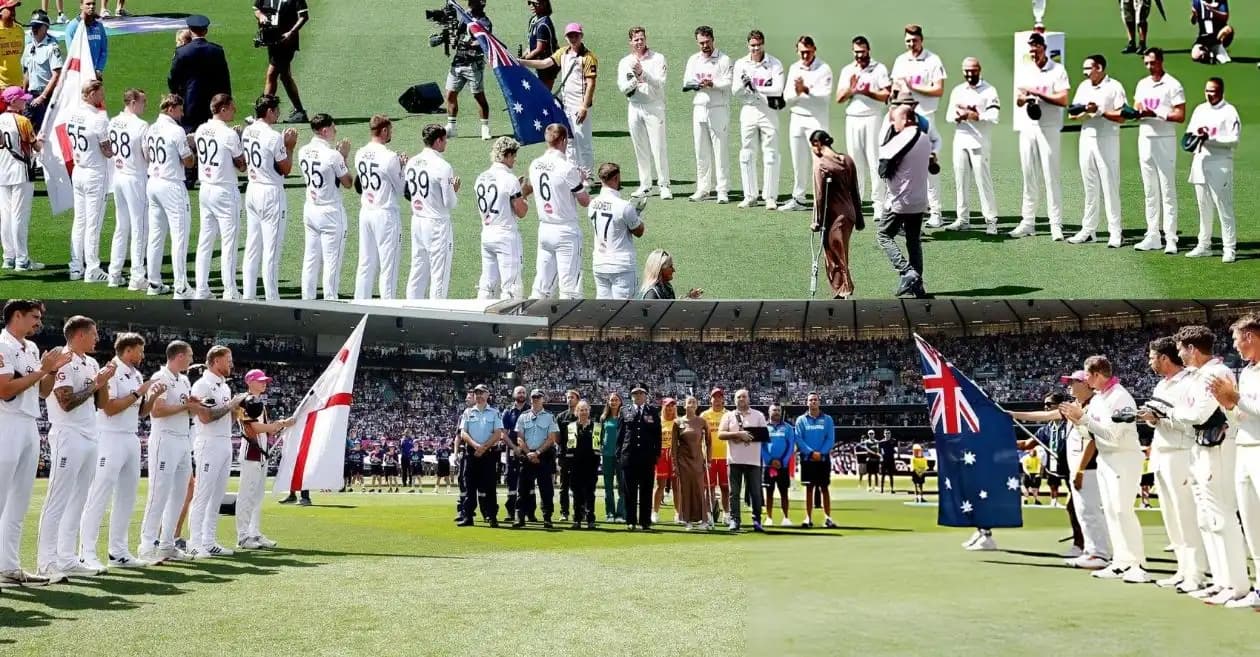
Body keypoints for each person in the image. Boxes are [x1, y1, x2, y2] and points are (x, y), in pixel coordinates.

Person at [1169, 325, 1249, 604]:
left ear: (1192, 349)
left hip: (1218, 446)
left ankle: (1236, 584)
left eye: (1181, 349)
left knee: (1222, 515)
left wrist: (1172, 412)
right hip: (1202, 446)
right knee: (1207, 518)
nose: (1179, 354)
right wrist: (1179, 413)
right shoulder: (1200, 375)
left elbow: (1198, 413)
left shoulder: (1216, 373)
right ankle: (1221, 580)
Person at [36, 315, 114, 580]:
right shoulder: (63, 359)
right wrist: (96, 383)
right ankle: (46, 562)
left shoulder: (90, 361)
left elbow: (101, 403)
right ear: (80, 335)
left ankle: (67, 558)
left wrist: (104, 381)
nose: (97, 338)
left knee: (78, 500)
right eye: (94, 334)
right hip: (68, 434)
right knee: (58, 499)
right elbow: (66, 401)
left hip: (90, 433)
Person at [1059, 355, 1149, 583]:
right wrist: (1078, 421)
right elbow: (1091, 434)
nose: (1085, 379)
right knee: (1110, 511)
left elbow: (1113, 435)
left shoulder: (1120, 397)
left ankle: (1138, 564)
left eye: (1087, 375)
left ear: (1097, 374)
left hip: (1123, 457)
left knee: (1122, 511)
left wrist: (1083, 420)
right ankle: (1120, 562)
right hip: (1106, 459)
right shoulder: (1100, 398)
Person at [0, 300, 69, 587]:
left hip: (29, 422)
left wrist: (51, 371)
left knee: (18, 502)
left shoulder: (29, 348)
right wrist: (42, 371)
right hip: (6, 421)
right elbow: (4, 390)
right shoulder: (2, 344)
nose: (39, 323)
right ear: (16, 315)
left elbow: (43, 392)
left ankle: (9, 567)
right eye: (34, 317)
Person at [77, 332, 158, 570]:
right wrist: (138, 392)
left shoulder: (136, 373)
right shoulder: (111, 369)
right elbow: (109, 408)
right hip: (109, 437)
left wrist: (152, 396)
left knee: (127, 497)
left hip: (130, 436)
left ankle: (118, 551)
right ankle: (87, 552)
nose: (142, 355)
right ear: (128, 349)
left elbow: (141, 412)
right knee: (99, 495)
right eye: (140, 350)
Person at [1136, 336, 1206, 588]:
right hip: (1162, 451)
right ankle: (1182, 569)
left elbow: (1192, 419)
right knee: (1170, 516)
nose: (1150, 362)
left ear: (1165, 358)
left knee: (1185, 514)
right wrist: (1151, 418)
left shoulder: (1189, 381)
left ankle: (1196, 573)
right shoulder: (1160, 386)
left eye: (1152, 357)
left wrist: (1162, 416)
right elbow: (1158, 419)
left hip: (1181, 451)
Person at [1212, 313, 1260, 608]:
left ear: (1250, 337)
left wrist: (1236, 398)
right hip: (1245, 447)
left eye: (1236, 339)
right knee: (1252, 524)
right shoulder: (1247, 372)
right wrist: (1228, 404)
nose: (1235, 346)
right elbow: (1242, 416)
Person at [136, 341, 196, 563]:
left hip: (182, 438)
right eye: (189, 356)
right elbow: (158, 410)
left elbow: (184, 410)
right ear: (179, 356)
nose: (191, 359)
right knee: (159, 492)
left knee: (179, 494)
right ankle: (146, 545)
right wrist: (187, 407)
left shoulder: (184, 380)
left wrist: (193, 408)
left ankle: (167, 544)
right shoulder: (160, 377)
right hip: (165, 438)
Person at [187, 346, 247, 559]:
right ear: (215, 361)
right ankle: (194, 543)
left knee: (217, 496)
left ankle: (209, 541)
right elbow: (205, 417)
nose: (231, 363)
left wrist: (235, 411)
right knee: (202, 494)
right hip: (208, 442)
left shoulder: (224, 387)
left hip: (224, 441)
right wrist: (231, 405)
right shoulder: (202, 385)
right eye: (227, 360)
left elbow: (225, 418)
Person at [1010, 32, 1069, 240]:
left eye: (1037, 50)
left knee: (1051, 177)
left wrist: (1038, 94)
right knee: (1029, 175)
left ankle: (1056, 224)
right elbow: (1018, 100)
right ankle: (1028, 222)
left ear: (1044, 48)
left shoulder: (1057, 70)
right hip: (1028, 127)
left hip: (1049, 128)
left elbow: (1063, 100)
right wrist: (1025, 98)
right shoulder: (1025, 70)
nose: (1034, 54)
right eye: (1031, 51)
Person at [1127, 48, 1187, 253]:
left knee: (1167, 189)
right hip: (1145, 139)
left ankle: (1171, 237)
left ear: (1160, 61)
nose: (1149, 67)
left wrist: (1157, 113)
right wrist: (1136, 113)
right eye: (1146, 63)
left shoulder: (1172, 84)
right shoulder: (1142, 84)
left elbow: (1180, 115)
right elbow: (1137, 108)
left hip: (1164, 140)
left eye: (1152, 63)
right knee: (1150, 190)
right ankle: (1153, 235)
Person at [521, 24, 597, 182]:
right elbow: (544, 63)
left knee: (583, 142)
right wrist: (521, 62)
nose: (573, 38)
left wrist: (584, 106)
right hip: (566, 105)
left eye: (576, 35)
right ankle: (574, 175)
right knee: (569, 140)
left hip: (579, 104)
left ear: (581, 35)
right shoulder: (563, 52)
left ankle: (588, 176)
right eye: (570, 35)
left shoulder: (589, 57)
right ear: (566, 37)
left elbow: (591, 83)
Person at [241, 94, 298, 301]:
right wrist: (290, 147)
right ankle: (272, 299)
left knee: (252, 247)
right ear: (270, 112)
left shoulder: (248, 130)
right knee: (271, 251)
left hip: (253, 189)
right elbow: (286, 168)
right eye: (277, 111)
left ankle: (248, 296)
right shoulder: (273, 136)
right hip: (270, 192)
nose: (279, 114)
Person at [1066, 55, 1127, 247]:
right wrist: (1087, 111)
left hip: (1107, 140)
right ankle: (1088, 229)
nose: (1084, 72)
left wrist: (1100, 111)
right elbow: (1072, 114)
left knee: (1110, 187)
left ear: (1099, 67)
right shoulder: (1084, 87)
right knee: (1089, 186)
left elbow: (1122, 116)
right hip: (1086, 139)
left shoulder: (1114, 87)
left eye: (1088, 68)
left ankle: (1115, 232)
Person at [192, 93, 246, 300]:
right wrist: (239, 140)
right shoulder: (229, 134)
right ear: (223, 109)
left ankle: (201, 288)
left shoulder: (200, 129)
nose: (235, 111)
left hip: (206, 189)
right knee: (228, 242)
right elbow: (242, 165)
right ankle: (230, 290)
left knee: (205, 241)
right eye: (232, 107)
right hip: (224, 190)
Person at [890, 24, 946, 225]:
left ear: (921, 40)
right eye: (908, 41)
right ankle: (909, 211)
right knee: (906, 166)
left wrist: (915, 87)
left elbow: (938, 90)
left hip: (925, 118)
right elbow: (895, 88)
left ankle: (936, 213)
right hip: (905, 120)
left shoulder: (932, 60)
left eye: (914, 40)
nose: (911, 44)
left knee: (929, 164)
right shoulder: (900, 61)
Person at [529, 123, 591, 299]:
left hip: (545, 229)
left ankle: (531, 322)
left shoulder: (534, 165)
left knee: (542, 285)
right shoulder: (567, 168)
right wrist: (583, 181)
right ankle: (568, 325)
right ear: (564, 140)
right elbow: (584, 200)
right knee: (570, 287)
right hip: (566, 231)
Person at [143, 94, 196, 298]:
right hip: (172, 185)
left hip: (153, 182)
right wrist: (192, 147)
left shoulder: (151, 128)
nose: (182, 114)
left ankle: (154, 283)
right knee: (179, 236)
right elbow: (188, 162)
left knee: (156, 236)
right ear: (172, 108)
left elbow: (146, 155)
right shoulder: (176, 131)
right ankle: (181, 286)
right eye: (180, 109)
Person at [877, 104, 932, 299]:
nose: (893, 123)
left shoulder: (899, 140)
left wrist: (890, 133)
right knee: (913, 241)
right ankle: (918, 286)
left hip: (899, 200)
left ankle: (907, 272)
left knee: (883, 235)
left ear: (906, 119)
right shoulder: (925, 138)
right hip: (919, 200)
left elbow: (882, 167)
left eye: (895, 119)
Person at [297, 113, 353, 300]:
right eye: (334, 128)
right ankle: (331, 301)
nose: (336, 131)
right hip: (330, 212)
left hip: (311, 208)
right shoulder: (333, 155)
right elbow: (347, 183)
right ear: (325, 130)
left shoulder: (303, 150)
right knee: (332, 261)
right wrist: (344, 157)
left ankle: (307, 300)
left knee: (311, 258)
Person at [235, 369, 292, 550]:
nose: (264, 383)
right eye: (260, 381)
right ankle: (243, 536)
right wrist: (277, 425)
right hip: (251, 452)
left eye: (265, 380)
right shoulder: (243, 401)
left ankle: (255, 532)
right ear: (249, 381)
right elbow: (252, 428)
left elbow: (266, 429)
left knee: (257, 496)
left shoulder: (260, 403)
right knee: (247, 495)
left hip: (261, 452)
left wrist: (280, 424)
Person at [835, 35, 891, 222]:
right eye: (856, 52)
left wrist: (867, 91)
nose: (859, 55)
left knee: (875, 162)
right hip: (853, 119)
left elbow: (886, 95)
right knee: (855, 164)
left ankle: (879, 205)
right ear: (853, 51)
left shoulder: (879, 69)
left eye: (862, 52)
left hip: (873, 118)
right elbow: (839, 98)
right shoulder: (847, 70)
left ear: (868, 50)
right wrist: (852, 90)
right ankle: (857, 205)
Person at [1184, 76, 1239, 263]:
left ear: (1221, 92)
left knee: (1224, 207)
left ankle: (1229, 248)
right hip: (1200, 162)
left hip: (1220, 163)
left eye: (1213, 91)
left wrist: (1210, 140)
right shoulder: (1200, 110)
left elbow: (1233, 140)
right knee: (1203, 207)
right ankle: (1204, 245)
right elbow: (1190, 134)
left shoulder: (1229, 112)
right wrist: (1194, 139)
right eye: (1207, 91)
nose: (1209, 95)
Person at [353, 114, 407, 299]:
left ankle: (361, 303)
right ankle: (387, 308)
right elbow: (401, 188)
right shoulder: (390, 157)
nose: (391, 133)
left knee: (366, 262)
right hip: (385, 214)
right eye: (390, 129)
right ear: (384, 131)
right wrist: (403, 167)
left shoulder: (360, 153)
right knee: (388, 266)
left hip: (366, 212)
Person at [66, 79, 114, 284]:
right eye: (100, 92)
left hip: (78, 170)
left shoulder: (73, 115)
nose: (103, 95)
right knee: (93, 223)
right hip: (95, 172)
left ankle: (76, 266)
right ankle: (92, 268)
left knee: (80, 221)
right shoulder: (99, 118)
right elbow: (107, 149)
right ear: (92, 94)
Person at [946, 57, 1000, 233]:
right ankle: (962, 219)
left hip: (980, 141)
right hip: (961, 138)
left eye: (973, 70)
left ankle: (991, 221)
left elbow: (994, 116)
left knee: (982, 181)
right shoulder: (958, 90)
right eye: (967, 71)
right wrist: (959, 116)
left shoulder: (989, 90)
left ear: (979, 69)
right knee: (960, 180)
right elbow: (948, 116)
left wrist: (976, 116)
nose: (970, 74)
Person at [405, 124, 458, 300]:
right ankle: (437, 315)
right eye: (445, 140)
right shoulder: (443, 166)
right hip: (437, 224)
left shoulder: (412, 162)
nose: (446, 143)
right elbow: (449, 202)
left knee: (417, 269)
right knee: (439, 274)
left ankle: (410, 311)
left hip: (417, 221)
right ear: (437, 141)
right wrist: (454, 189)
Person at [808, 130, 861, 299]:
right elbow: (855, 191)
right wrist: (859, 217)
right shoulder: (847, 160)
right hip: (849, 214)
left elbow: (819, 196)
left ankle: (844, 288)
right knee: (841, 251)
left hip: (833, 216)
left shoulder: (821, 165)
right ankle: (841, 289)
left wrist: (816, 221)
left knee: (833, 254)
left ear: (817, 144)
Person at [780, 35, 831, 213]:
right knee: (798, 161)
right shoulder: (794, 68)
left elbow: (824, 97)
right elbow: (786, 98)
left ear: (814, 49)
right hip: (797, 119)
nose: (805, 56)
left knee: (821, 162)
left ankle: (824, 201)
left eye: (808, 52)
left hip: (816, 121)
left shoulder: (824, 69)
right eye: (801, 52)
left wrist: (806, 90)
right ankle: (799, 198)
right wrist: (797, 92)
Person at [617, 27, 670, 200]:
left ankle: (664, 185)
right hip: (634, 106)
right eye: (636, 39)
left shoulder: (658, 58)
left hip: (653, 106)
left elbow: (659, 84)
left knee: (658, 146)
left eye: (642, 38)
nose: (639, 42)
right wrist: (632, 83)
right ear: (630, 42)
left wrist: (642, 73)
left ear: (646, 39)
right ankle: (645, 185)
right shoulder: (625, 61)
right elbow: (622, 86)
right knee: (640, 147)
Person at [475, 136, 530, 299]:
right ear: (506, 155)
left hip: (487, 234)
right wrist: (524, 194)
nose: (515, 160)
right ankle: (510, 323)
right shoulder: (509, 179)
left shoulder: (480, 177)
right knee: (511, 286)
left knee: (487, 285)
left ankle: (481, 320)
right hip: (505, 236)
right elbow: (521, 211)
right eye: (513, 156)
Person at [683, 25, 732, 204]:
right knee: (701, 151)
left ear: (713, 39)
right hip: (699, 108)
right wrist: (697, 84)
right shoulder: (693, 60)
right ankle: (703, 188)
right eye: (701, 43)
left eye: (707, 42)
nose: (705, 46)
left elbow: (729, 83)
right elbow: (686, 82)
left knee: (720, 151)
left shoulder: (724, 59)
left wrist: (713, 84)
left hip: (718, 108)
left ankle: (722, 190)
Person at [103, 88, 147, 288]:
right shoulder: (141, 125)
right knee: (139, 227)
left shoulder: (113, 121)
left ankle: (114, 273)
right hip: (135, 177)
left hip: (118, 176)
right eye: (142, 102)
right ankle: (137, 276)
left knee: (122, 226)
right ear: (133, 103)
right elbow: (147, 154)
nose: (145, 106)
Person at [589, 162, 645, 300]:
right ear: (616, 178)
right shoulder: (624, 206)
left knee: (603, 310)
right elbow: (639, 231)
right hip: (621, 266)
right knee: (625, 312)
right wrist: (637, 213)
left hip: (600, 263)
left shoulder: (592, 204)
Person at [167, 15, 231, 133]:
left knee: (190, 135)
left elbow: (172, 78)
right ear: (206, 31)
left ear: (190, 31)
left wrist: (176, 94)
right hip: (213, 102)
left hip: (189, 101)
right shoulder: (217, 50)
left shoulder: (182, 52)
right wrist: (227, 100)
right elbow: (224, 78)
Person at [0, 87, 40, 273]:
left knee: (5, 217)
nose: (25, 102)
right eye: (22, 100)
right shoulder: (23, 121)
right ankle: (22, 260)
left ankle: (8, 258)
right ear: (13, 101)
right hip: (21, 173)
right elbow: (37, 146)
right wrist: (44, 139)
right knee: (19, 217)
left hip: (2, 173)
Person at [253, 0, 308, 123]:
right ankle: (299, 111)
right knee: (285, 77)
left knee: (271, 75)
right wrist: (261, 16)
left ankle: (264, 114)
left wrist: (291, 33)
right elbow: (256, 9)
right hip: (271, 41)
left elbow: (304, 16)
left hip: (286, 43)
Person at [718, 389, 766, 532]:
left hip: (753, 461)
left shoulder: (758, 415)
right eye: (738, 397)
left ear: (749, 399)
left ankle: (757, 520)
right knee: (734, 493)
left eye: (744, 396)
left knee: (756, 493)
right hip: (734, 460)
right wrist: (737, 435)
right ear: (734, 400)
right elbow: (720, 434)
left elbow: (764, 434)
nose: (741, 399)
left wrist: (746, 436)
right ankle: (735, 520)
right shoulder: (728, 416)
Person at [443, 0, 491, 139]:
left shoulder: (484, 21)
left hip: (473, 65)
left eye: (473, 2)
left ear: (481, 3)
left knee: (478, 96)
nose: (469, 4)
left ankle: (484, 127)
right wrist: (451, 38)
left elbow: (484, 42)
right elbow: (457, 35)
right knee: (450, 94)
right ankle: (451, 127)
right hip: (458, 62)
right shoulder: (465, 17)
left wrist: (466, 42)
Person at [458, 384, 503, 527]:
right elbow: (463, 433)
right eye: (477, 393)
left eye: (482, 393)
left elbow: (498, 433)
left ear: (488, 395)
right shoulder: (468, 412)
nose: (479, 395)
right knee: (470, 486)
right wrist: (476, 446)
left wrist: (483, 447)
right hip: (472, 453)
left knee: (490, 486)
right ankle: (468, 516)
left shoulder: (495, 413)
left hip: (488, 454)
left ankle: (491, 516)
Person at [511, 388, 556, 528]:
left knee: (546, 490)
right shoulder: (523, 416)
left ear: (543, 399)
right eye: (534, 396)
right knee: (522, 489)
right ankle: (520, 517)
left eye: (539, 396)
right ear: (530, 399)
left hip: (544, 456)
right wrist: (529, 453)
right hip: (527, 456)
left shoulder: (550, 416)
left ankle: (547, 517)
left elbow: (551, 439)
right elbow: (519, 438)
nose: (536, 399)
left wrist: (537, 453)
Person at [618, 384, 661, 531]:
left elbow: (657, 435)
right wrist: (620, 454)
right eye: (635, 394)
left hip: (646, 457)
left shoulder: (653, 411)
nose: (637, 396)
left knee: (646, 490)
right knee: (629, 491)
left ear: (646, 395)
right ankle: (630, 520)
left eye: (640, 393)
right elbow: (621, 434)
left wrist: (656, 454)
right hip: (629, 456)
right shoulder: (625, 411)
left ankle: (645, 521)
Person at [795, 392, 836, 528]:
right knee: (809, 489)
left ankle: (828, 518)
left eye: (815, 400)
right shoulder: (801, 420)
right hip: (808, 459)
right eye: (810, 400)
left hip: (823, 459)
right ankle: (808, 518)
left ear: (819, 402)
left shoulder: (828, 419)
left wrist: (821, 453)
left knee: (824, 488)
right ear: (807, 403)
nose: (813, 402)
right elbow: (799, 439)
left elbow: (830, 439)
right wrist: (811, 452)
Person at [671, 395, 710, 530]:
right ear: (684, 406)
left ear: (697, 406)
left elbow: (709, 442)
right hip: (683, 461)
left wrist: (708, 460)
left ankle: (703, 520)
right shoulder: (677, 422)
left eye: (694, 402)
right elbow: (674, 446)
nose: (691, 404)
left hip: (698, 460)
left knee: (699, 489)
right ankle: (687, 520)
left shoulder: (702, 421)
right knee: (685, 490)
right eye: (689, 402)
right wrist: (675, 463)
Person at [20, 10, 62, 133]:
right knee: (27, 131)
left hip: (46, 96)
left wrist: (43, 97)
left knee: (46, 132)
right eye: (33, 26)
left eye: (37, 27)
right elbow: (27, 72)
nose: (34, 30)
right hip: (30, 96)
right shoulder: (29, 46)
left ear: (45, 28)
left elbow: (56, 74)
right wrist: (23, 93)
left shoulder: (52, 47)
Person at [700, 388, 730, 524]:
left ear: (723, 399)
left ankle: (727, 515)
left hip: (726, 457)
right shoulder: (704, 415)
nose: (717, 400)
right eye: (714, 397)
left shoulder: (729, 414)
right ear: (710, 399)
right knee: (709, 488)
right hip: (709, 458)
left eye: (719, 397)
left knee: (725, 488)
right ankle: (708, 514)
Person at [762, 404, 795, 525]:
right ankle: (769, 518)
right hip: (768, 466)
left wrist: (783, 461)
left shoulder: (788, 428)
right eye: (774, 410)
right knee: (769, 493)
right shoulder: (764, 428)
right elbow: (761, 447)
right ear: (769, 412)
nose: (776, 412)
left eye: (778, 410)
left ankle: (786, 518)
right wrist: (770, 461)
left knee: (784, 493)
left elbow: (791, 446)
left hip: (783, 466)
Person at [568, 400, 599, 529]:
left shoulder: (596, 427)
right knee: (577, 493)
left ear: (589, 411)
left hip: (591, 465)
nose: (584, 412)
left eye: (586, 409)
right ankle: (577, 519)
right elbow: (569, 448)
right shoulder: (571, 427)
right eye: (581, 410)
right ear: (577, 412)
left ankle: (590, 518)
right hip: (576, 465)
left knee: (590, 493)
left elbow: (597, 448)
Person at [500, 386, 527, 520]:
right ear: (513, 394)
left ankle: (529, 512)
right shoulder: (507, 412)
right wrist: (514, 448)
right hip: (512, 450)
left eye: (523, 392)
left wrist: (524, 449)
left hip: (528, 450)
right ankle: (510, 512)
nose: (521, 394)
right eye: (519, 392)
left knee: (528, 483)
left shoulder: (530, 411)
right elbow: (503, 434)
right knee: (512, 482)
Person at [554, 389, 579, 522]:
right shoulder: (561, 417)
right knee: (564, 485)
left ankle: (580, 512)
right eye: (568, 397)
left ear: (578, 399)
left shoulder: (582, 415)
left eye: (572, 397)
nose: (570, 400)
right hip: (564, 455)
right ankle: (564, 512)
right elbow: (557, 438)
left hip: (579, 456)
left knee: (579, 485)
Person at [64, 0, 106, 78]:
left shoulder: (99, 26)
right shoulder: (73, 26)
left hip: (95, 74)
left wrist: (99, 69)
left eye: (93, 4)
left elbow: (103, 51)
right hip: (79, 74)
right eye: (88, 4)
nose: (91, 6)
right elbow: (71, 54)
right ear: (81, 6)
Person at [652, 397, 676, 524]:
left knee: (677, 487)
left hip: (674, 455)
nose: (670, 408)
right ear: (663, 407)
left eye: (672, 405)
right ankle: (655, 512)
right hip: (661, 454)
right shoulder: (658, 421)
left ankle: (679, 513)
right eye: (667, 405)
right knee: (660, 485)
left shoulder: (678, 422)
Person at [522, 0, 557, 88]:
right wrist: (523, 56)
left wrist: (524, 60)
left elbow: (539, 49)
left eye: (535, 3)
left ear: (544, 4)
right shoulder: (533, 20)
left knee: (543, 96)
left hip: (547, 67)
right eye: (530, 3)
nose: (532, 6)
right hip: (537, 64)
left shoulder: (543, 24)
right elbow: (531, 45)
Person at [1190, 0, 1232, 64]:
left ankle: (1217, 48)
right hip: (1204, 37)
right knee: (1195, 56)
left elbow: (1225, 17)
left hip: (1217, 35)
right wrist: (1194, 15)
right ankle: (1208, 51)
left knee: (1228, 29)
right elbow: (1193, 22)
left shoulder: (1220, 1)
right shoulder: (1197, 2)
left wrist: (1211, 10)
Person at [0, 1, 23, 90]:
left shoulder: (19, 30)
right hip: (2, 85)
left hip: (18, 83)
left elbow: (20, 53)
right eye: (10, 9)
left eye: (14, 8)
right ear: (0, 11)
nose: (13, 12)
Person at [878, 428, 897, 494]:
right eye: (886, 433)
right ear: (884, 434)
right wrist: (881, 457)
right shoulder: (881, 442)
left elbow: (896, 449)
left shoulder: (893, 441)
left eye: (888, 433)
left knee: (891, 475)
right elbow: (879, 451)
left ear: (890, 434)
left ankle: (892, 489)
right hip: (884, 460)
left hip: (891, 460)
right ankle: (882, 489)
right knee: (883, 475)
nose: (887, 434)